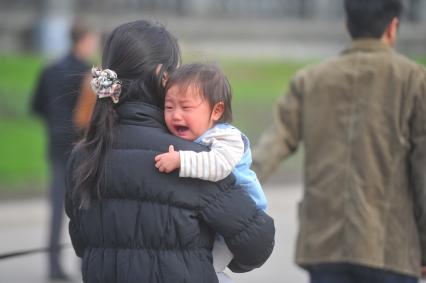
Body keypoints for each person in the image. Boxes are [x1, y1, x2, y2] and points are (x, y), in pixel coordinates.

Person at [65, 20, 275, 283]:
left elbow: (82, 244)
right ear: (163, 76)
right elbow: (256, 245)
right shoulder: (192, 160)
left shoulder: (83, 157)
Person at [252, 0, 426, 282]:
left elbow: (271, 148)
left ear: (347, 25)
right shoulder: (414, 81)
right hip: (390, 249)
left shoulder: (310, 80)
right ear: (393, 27)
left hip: (324, 247)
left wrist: (227, 193)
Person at [153, 63, 268, 282]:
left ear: (216, 111)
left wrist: (180, 160)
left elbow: (218, 166)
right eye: (169, 107)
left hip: (244, 213)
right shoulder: (196, 135)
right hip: (220, 212)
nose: (176, 115)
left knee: (210, 268)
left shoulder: (227, 137)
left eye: (186, 108)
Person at [31, 22, 98, 281]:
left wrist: (54, 122)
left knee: (57, 207)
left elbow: (36, 106)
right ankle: (83, 262)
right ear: (85, 41)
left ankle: (53, 265)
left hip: (55, 144)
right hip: (80, 146)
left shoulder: (49, 70)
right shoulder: (89, 74)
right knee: (84, 205)